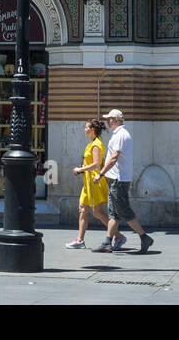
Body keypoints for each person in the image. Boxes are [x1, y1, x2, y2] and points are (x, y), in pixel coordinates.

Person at [92, 108, 153, 254]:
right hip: (115, 179)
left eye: (110, 119)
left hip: (119, 180)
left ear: (117, 120)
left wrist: (100, 174)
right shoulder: (118, 134)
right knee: (113, 213)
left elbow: (114, 157)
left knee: (124, 212)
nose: (108, 121)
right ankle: (107, 242)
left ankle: (144, 237)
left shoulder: (121, 135)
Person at [65, 119, 109, 249]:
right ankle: (80, 240)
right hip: (88, 182)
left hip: (94, 181)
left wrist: (80, 169)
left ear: (93, 130)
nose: (84, 129)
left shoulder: (96, 145)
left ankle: (117, 235)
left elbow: (96, 164)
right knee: (82, 209)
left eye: (86, 127)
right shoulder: (92, 143)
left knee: (97, 212)